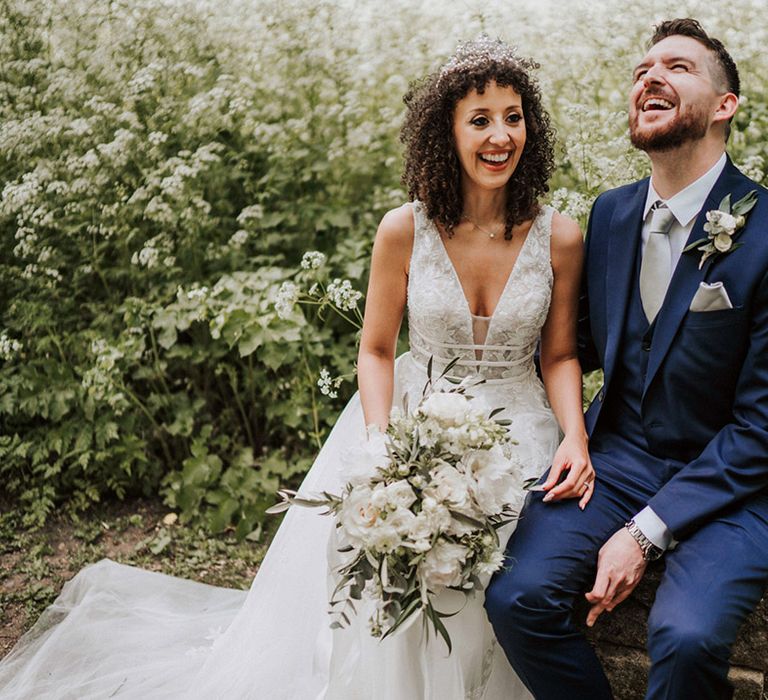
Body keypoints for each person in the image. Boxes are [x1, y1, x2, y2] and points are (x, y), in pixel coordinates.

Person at [0, 37, 590, 699]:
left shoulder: (559, 236)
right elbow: (375, 348)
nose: (499, 136)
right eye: (479, 119)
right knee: (387, 553)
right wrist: (380, 445)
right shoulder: (405, 229)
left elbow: (560, 355)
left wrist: (574, 436)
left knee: (505, 565)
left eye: (513, 117)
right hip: (411, 419)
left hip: (523, 432)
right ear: (445, 131)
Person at [485, 18, 768, 700]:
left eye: (678, 67)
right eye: (643, 69)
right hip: (617, 459)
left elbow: (763, 429)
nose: (651, 77)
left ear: (725, 105)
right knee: (516, 597)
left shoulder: (763, 229)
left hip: (734, 483)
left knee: (688, 638)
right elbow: (571, 346)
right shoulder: (610, 215)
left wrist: (642, 535)